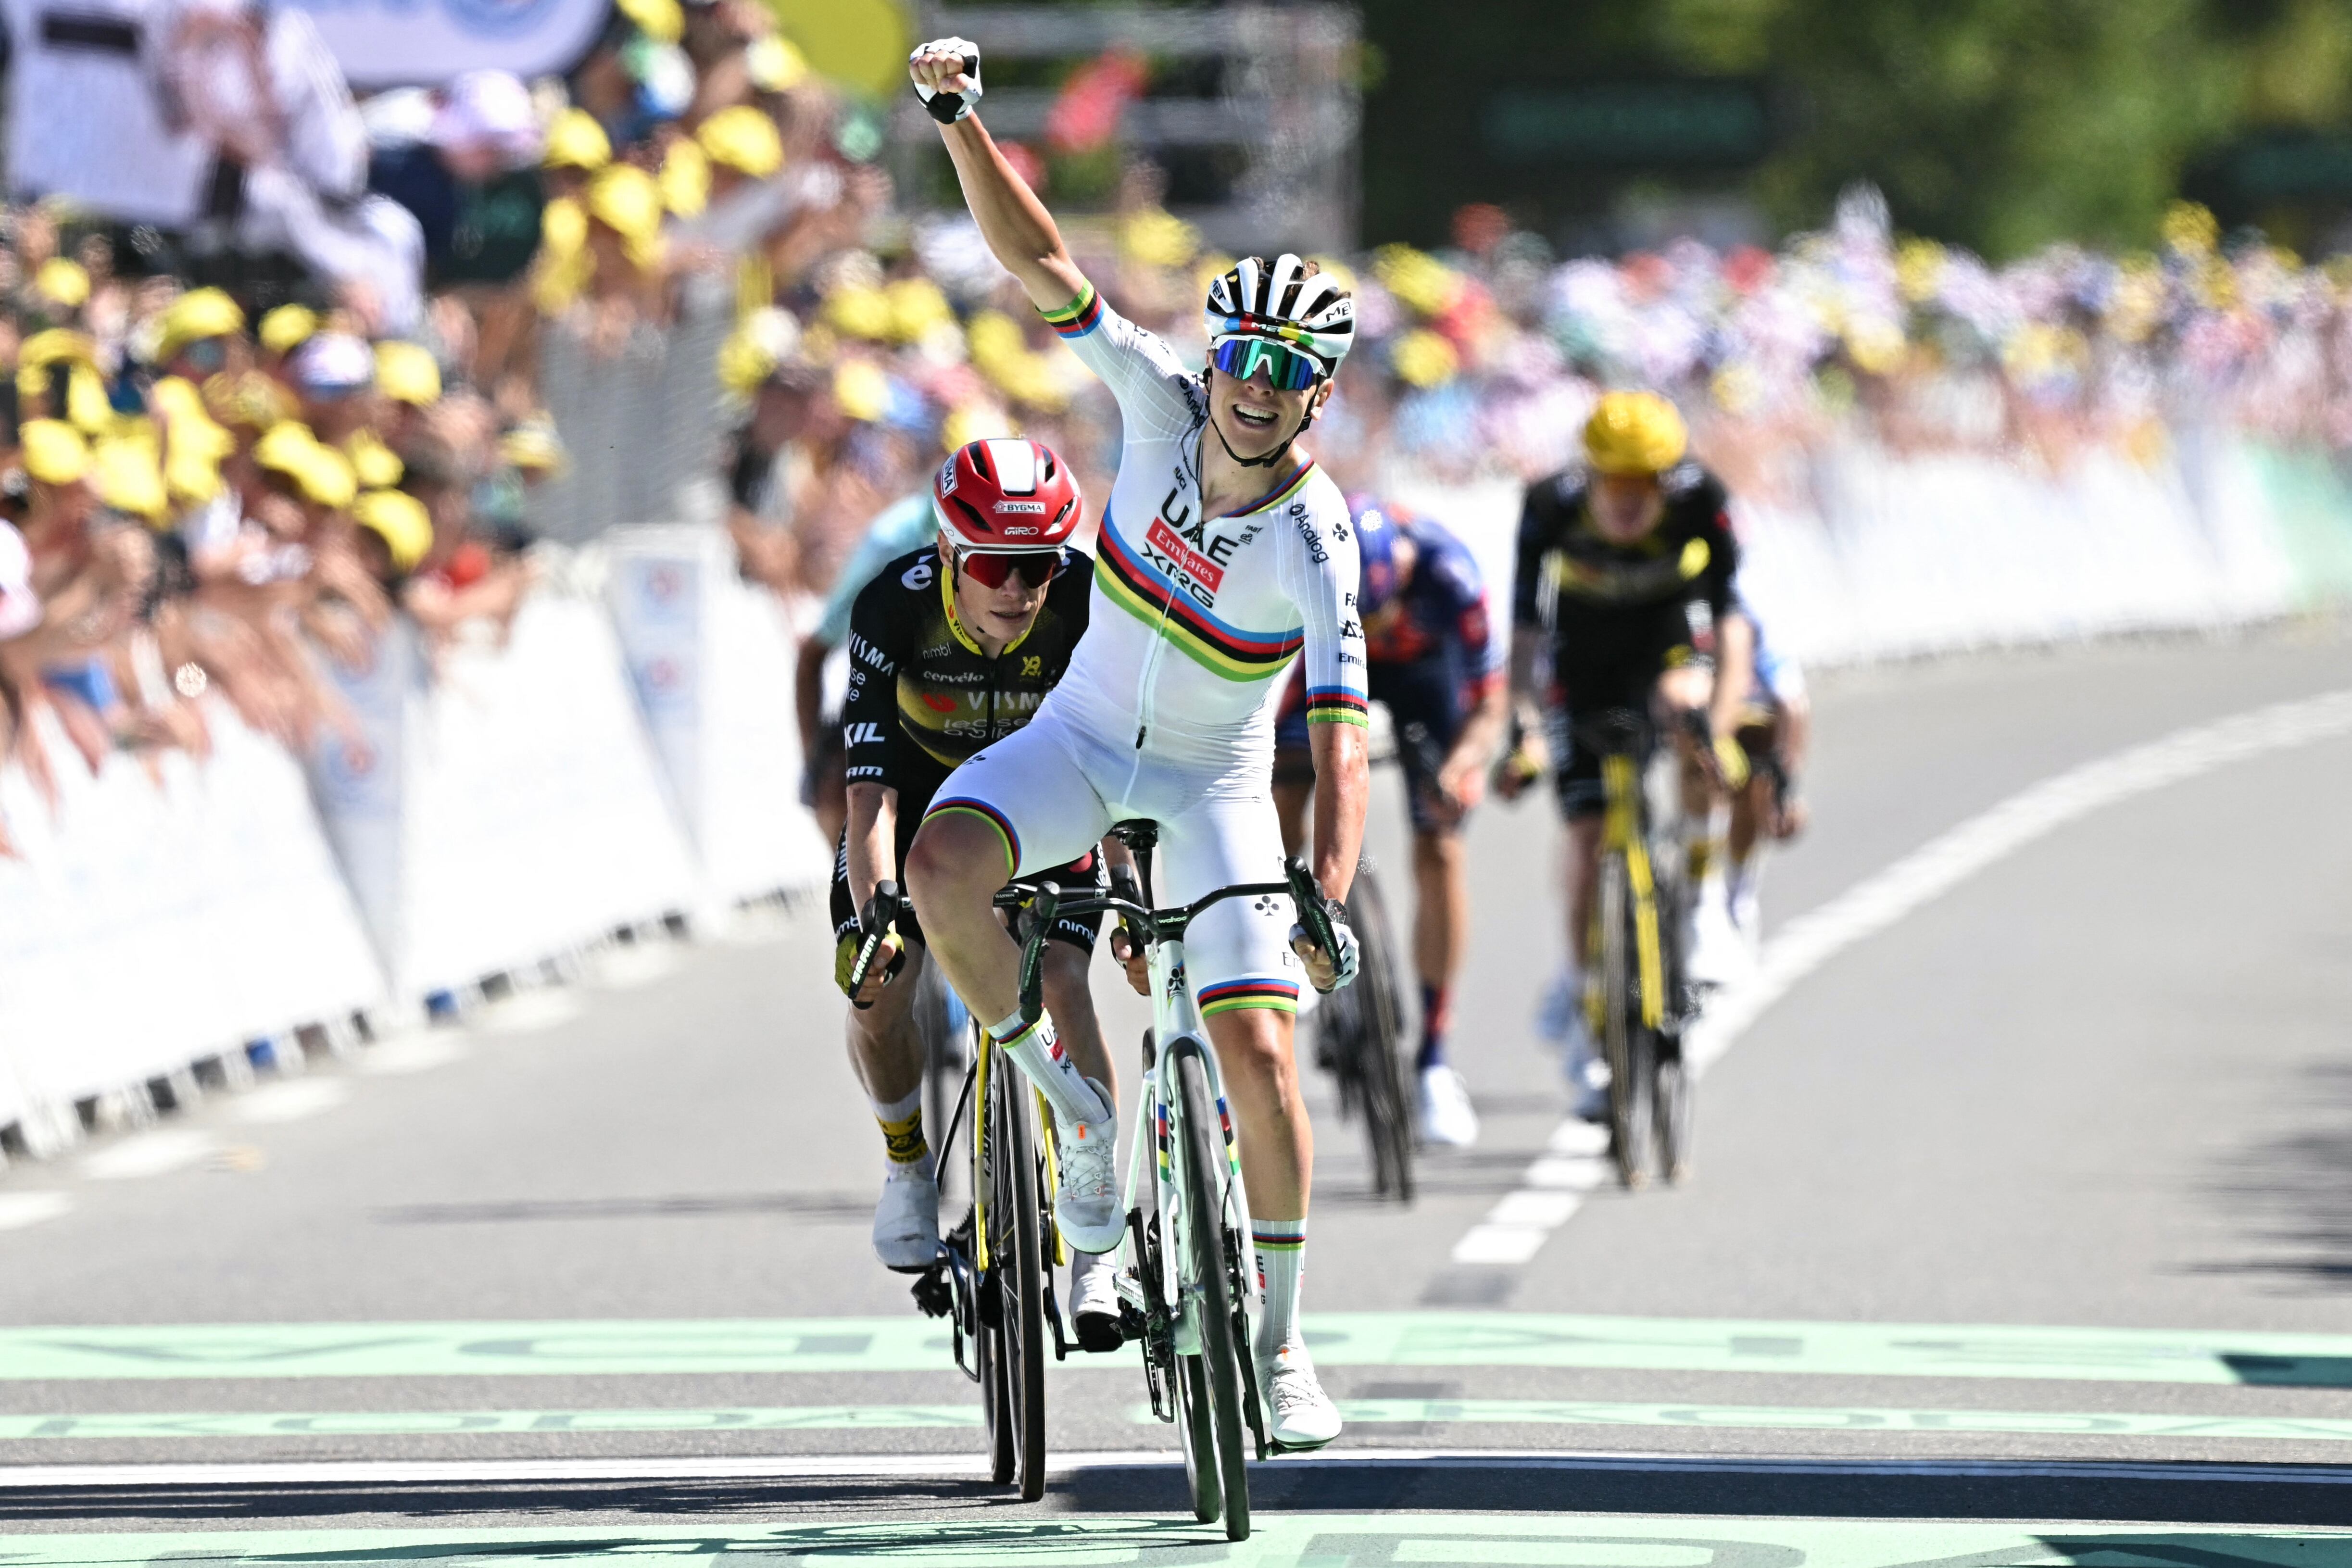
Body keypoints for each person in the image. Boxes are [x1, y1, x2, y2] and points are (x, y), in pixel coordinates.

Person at [900, 37, 1366, 1453]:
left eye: (1290, 371)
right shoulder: (1158, 398)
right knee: (941, 866)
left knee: (1261, 1059)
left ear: (1317, 394)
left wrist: (1323, 894)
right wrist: (964, 125)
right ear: (1218, 355)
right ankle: (1073, 1112)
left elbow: (1341, 739)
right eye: (1247, 357)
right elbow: (1044, 267)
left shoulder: (1313, 538)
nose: (1257, 386)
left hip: (1217, 785)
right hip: (1086, 736)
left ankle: (1282, 1348)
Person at [830, 436, 1128, 1345]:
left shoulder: (1087, 603)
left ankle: (1098, 1248)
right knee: (880, 987)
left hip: (1047, 809)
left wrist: (1129, 887)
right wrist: (878, 907)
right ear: (951, 555)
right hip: (924, 817)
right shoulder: (893, 606)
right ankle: (909, 1164)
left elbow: (1116, 763)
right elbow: (871, 790)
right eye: (995, 564)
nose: (1018, 587)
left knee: (1069, 986)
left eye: (1037, 563)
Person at [1501, 390, 1754, 1108]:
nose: (1625, 500)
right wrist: (1522, 726)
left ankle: (1702, 902)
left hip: (1663, 640)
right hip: (1580, 660)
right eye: (1612, 482)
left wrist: (1723, 729)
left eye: (1642, 485)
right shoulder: (1549, 505)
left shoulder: (1698, 497)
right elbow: (1523, 628)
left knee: (1688, 715)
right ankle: (1586, 998)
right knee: (1584, 839)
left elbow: (1731, 623)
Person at [1272, 496, 1506, 1148]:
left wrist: (1459, 768)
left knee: (1440, 846)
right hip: (1330, 666)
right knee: (1281, 777)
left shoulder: (1447, 574)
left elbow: (1490, 704)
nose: (1377, 623)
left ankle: (1433, 1057)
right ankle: (1293, 925)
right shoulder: (1306, 570)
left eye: (1382, 611)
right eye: (1364, 615)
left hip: (1427, 680)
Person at [1720, 599, 1810, 950]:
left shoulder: (1752, 618)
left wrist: (1784, 791)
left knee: (1755, 765)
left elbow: (1791, 704)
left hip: (1745, 713)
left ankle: (1737, 893)